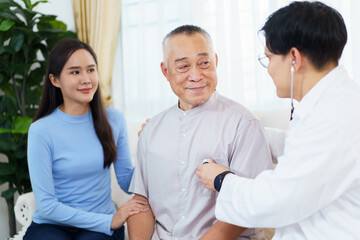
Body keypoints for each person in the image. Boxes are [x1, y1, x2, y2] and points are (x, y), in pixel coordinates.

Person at [196, 1, 360, 239]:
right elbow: (302, 149)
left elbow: (278, 199)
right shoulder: (336, 101)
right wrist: (244, 130)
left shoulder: (333, 117)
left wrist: (222, 179)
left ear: (294, 58)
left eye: (269, 58)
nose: (269, 68)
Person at [127, 25, 273, 240]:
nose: (195, 75)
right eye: (183, 67)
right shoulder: (151, 130)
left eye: (204, 63)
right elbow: (141, 204)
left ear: (215, 61)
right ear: (165, 71)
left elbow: (249, 206)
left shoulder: (244, 123)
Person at [25, 38, 149, 240]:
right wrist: (110, 221)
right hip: (54, 225)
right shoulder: (41, 130)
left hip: (101, 225)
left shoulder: (114, 120)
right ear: (55, 80)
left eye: (91, 70)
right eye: (75, 72)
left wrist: (148, 149)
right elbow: (47, 206)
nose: (86, 79)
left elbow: (127, 181)